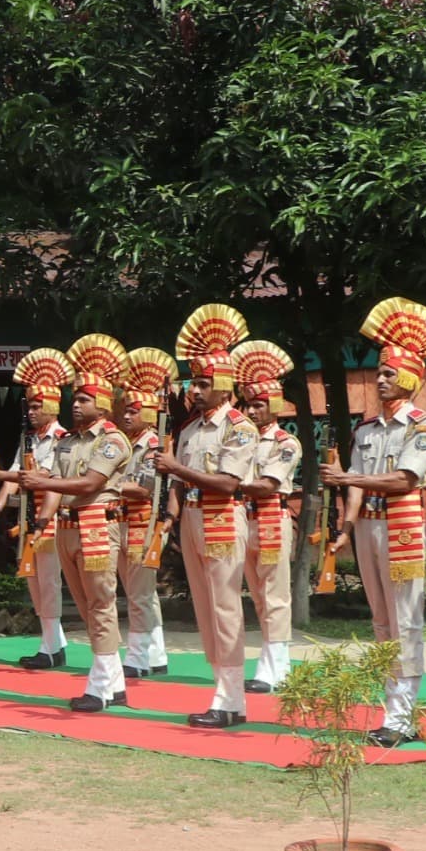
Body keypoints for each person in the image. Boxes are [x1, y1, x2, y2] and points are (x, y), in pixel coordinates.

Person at [323, 298, 426, 746]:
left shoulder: (424, 426)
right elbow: (356, 486)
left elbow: (401, 479)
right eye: (379, 372)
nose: (379, 379)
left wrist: (346, 478)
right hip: (370, 527)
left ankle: (401, 715)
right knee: (380, 620)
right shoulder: (368, 428)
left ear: (411, 377)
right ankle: (389, 708)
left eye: (388, 373)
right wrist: (345, 526)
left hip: (401, 526)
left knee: (405, 621)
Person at [0, 358, 132, 710]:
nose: (75, 403)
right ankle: (113, 678)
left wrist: (42, 481)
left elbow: (90, 483)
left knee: (101, 604)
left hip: (97, 524)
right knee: (88, 608)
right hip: (68, 527)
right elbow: (56, 486)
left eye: (84, 399)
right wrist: (42, 519)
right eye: (75, 398)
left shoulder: (112, 440)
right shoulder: (68, 441)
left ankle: (100, 685)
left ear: (102, 404)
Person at [161, 306, 262, 728]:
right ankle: (224, 692)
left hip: (222, 516)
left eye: (204, 384)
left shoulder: (239, 428)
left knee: (224, 607)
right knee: (205, 608)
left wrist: (175, 469)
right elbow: (179, 485)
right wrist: (170, 518)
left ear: (224, 386)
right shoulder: (188, 429)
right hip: (193, 519)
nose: (196, 390)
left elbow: (225, 482)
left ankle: (230, 696)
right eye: (193, 382)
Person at [233, 341, 305, 694]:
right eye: (249, 403)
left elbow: (267, 484)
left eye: (259, 404)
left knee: (275, 593)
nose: (253, 410)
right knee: (257, 594)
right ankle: (274, 661)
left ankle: (276, 664)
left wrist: (229, 482)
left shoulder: (286, 442)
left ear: (274, 405)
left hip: (271, 518)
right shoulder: (242, 439)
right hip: (244, 519)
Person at [112, 347, 178, 679]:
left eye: (134, 411)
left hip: (144, 525)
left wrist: (108, 486)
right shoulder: (126, 443)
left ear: (149, 413)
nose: (126, 416)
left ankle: (137, 656)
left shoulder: (153, 447)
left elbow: (144, 490)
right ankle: (156, 651)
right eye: (124, 409)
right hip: (124, 522)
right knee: (142, 592)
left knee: (138, 593)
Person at [10, 348, 75, 669]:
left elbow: (48, 479)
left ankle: (51, 647)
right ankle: (53, 640)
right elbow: (15, 475)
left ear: (51, 406)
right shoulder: (30, 440)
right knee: (33, 580)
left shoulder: (62, 439)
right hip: (28, 516)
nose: (32, 411)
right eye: (30, 406)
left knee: (48, 581)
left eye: (38, 406)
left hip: (49, 520)